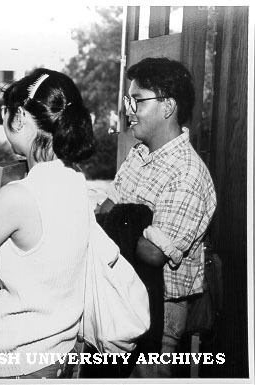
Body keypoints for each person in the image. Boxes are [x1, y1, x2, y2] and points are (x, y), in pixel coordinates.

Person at [0, 68, 95, 379]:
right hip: (64, 352)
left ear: (18, 118)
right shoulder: (76, 181)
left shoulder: (16, 197)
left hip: (21, 363)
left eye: (4, 112)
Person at [100, 57, 217, 378]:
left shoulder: (187, 173)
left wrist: (116, 224)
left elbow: (153, 254)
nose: (128, 109)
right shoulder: (139, 155)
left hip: (159, 311)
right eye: (128, 100)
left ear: (168, 106)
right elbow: (106, 211)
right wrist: (131, 224)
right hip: (121, 295)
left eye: (137, 100)